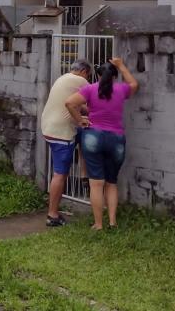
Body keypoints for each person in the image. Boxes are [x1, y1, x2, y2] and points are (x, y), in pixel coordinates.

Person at [65, 58, 138, 230]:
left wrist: (80, 120)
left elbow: (69, 103)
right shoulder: (121, 89)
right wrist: (121, 65)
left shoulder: (90, 89)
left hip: (93, 137)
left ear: (97, 75)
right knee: (111, 182)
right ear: (114, 76)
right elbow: (134, 84)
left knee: (96, 183)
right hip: (116, 139)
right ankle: (112, 222)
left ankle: (98, 224)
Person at [41, 59, 93, 227]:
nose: (89, 78)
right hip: (61, 134)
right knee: (60, 174)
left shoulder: (63, 79)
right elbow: (87, 104)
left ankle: (84, 174)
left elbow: (80, 105)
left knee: (83, 134)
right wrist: (82, 119)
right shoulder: (82, 81)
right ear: (84, 71)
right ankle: (52, 215)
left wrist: (82, 116)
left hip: (48, 128)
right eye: (89, 75)